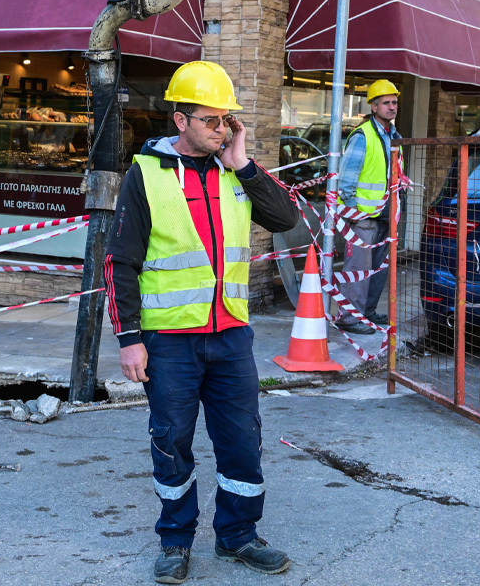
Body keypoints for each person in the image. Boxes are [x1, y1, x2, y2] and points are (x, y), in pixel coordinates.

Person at [105, 61, 299, 584]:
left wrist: (246, 164)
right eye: (211, 120)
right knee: (172, 442)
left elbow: (286, 221)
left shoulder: (234, 172)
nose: (221, 128)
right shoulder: (144, 176)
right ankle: (175, 541)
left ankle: (238, 536)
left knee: (241, 440)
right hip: (168, 340)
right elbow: (120, 261)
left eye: (227, 120)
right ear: (180, 120)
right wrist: (128, 341)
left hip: (231, 334)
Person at [334, 79, 401, 335]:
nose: (391, 107)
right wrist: (354, 212)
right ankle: (350, 319)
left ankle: (368, 312)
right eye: (386, 103)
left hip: (385, 216)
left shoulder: (394, 136)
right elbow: (346, 180)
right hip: (364, 218)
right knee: (358, 272)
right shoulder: (363, 136)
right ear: (374, 107)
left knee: (378, 270)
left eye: (394, 102)